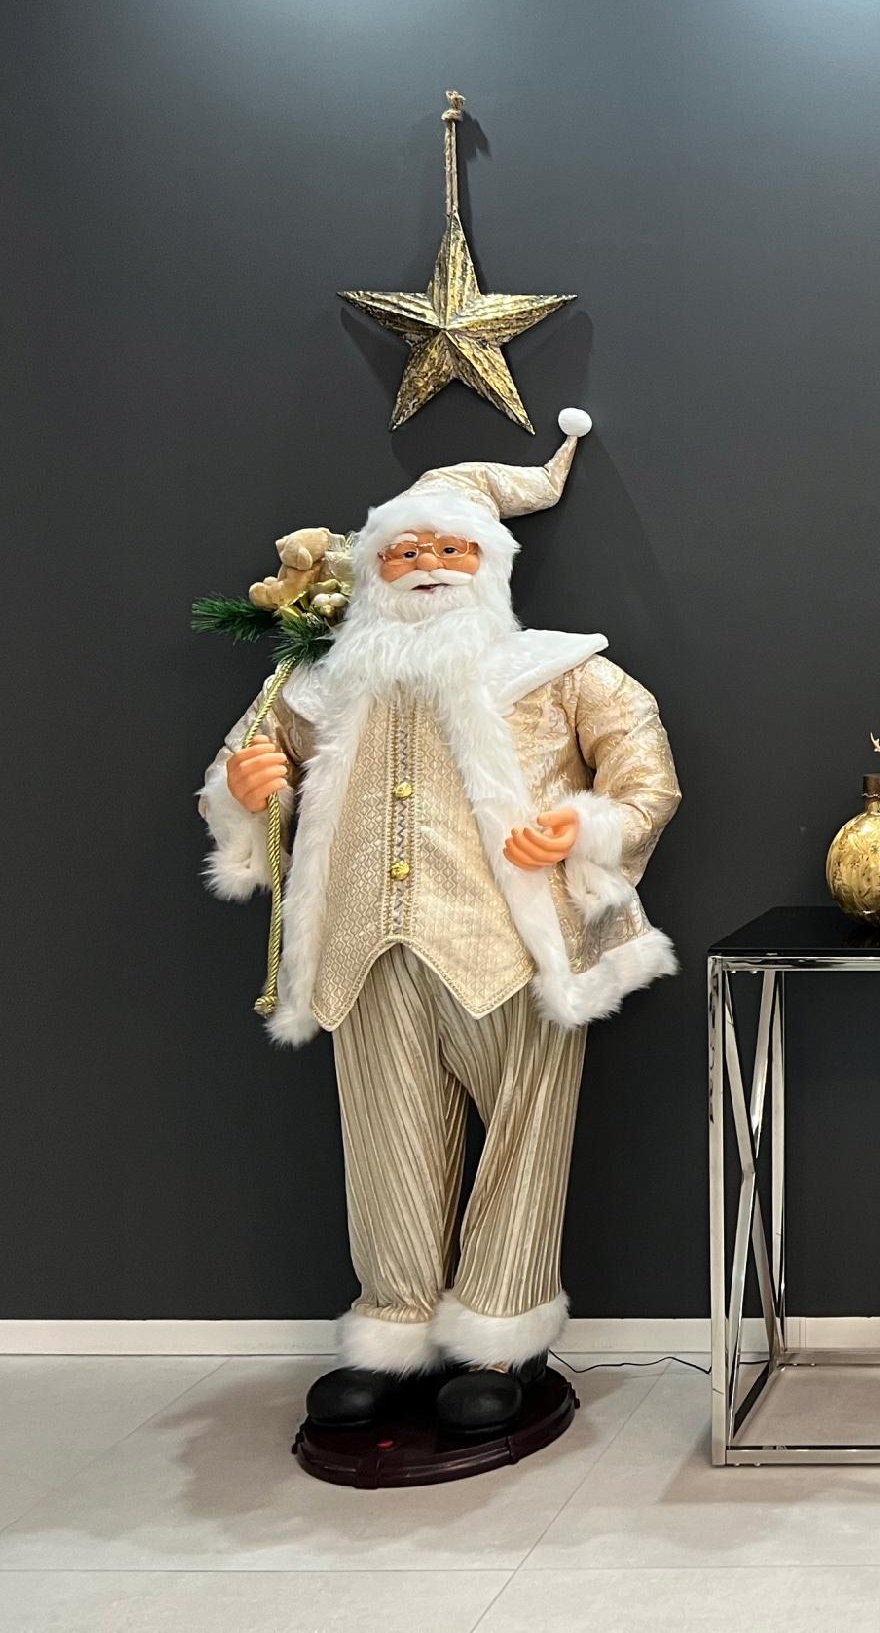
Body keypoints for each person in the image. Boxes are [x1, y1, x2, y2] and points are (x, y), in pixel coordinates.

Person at [199, 411, 680, 1435]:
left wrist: (584, 825)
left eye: (449, 549)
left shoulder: (559, 670)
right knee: (386, 1139)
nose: (427, 566)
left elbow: (643, 772)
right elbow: (243, 770)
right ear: (373, 568)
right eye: (406, 551)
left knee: (526, 1132)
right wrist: (247, 790)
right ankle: (396, 1322)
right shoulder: (320, 684)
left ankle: (500, 1335)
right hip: (362, 946)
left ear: (488, 566)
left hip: (513, 947)